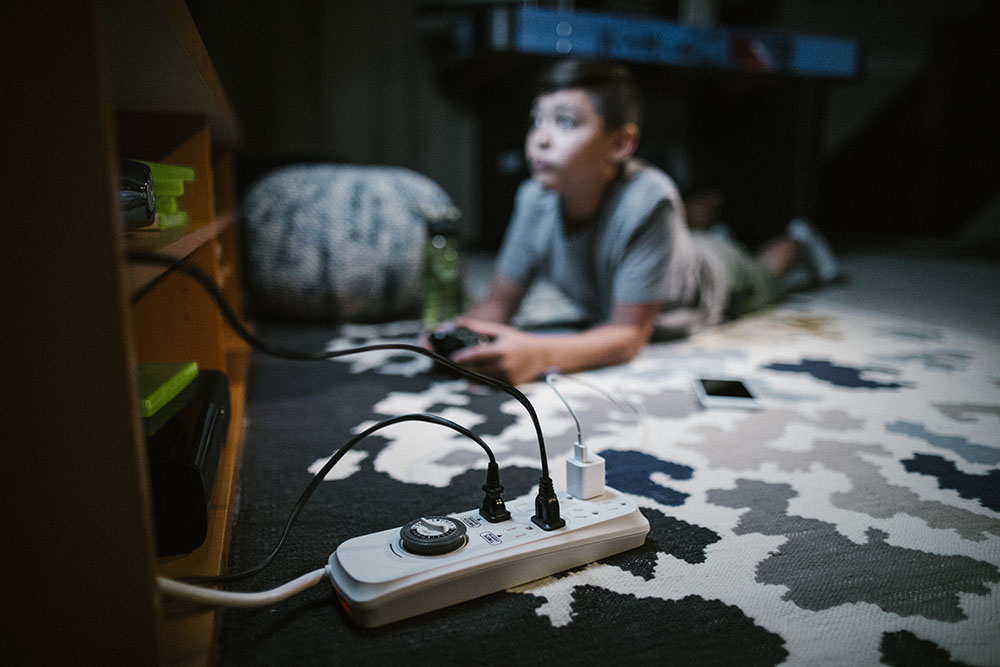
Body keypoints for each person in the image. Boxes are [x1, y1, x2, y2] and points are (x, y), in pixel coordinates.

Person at [432, 58, 838, 385]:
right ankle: (702, 225)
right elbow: (499, 303)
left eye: (566, 121)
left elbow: (628, 334)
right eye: (537, 120)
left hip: (716, 280)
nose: (541, 138)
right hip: (662, 256)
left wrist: (540, 353)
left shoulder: (649, 199)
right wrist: (454, 334)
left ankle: (800, 241)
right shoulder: (534, 198)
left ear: (621, 143)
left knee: (766, 270)